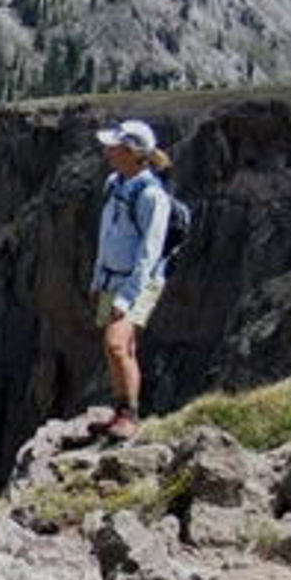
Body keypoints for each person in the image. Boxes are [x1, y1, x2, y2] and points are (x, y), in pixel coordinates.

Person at [89, 119, 171, 439]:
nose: (108, 151)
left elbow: (150, 254)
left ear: (132, 152)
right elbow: (106, 236)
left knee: (116, 345)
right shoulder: (114, 183)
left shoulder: (153, 196)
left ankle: (130, 416)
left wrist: (126, 298)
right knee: (120, 349)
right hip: (111, 278)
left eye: (115, 147)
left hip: (142, 283)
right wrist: (98, 279)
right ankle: (120, 409)